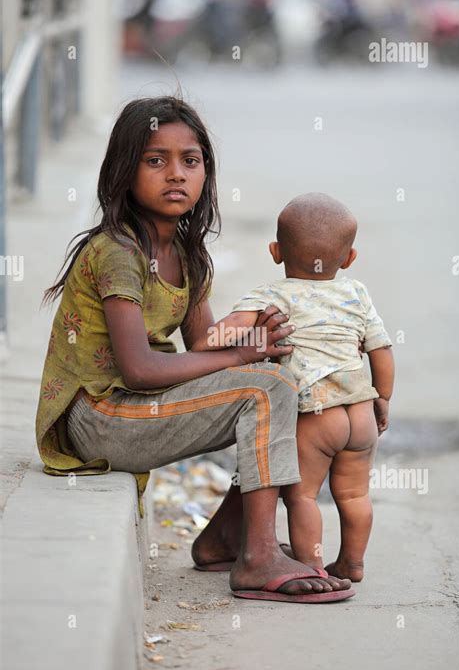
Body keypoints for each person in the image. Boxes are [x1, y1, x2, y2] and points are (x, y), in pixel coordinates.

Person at [35, 98, 354, 604]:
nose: (176, 174)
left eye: (191, 160)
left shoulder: (186, 251)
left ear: (206, 171)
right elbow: (140, 369)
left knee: (276, 372)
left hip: (133, 411)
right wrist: (240, 359)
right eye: (155, 160)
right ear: (123, 171)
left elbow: (203, 345)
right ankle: (257, 558)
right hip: (97, 419)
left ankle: (229, 535)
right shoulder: (118, 252)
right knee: (264, 389)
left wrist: (258, 334)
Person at [192, 192, 395, 583]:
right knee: (354, 495)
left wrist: (213, 341)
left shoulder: (273, 295)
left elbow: (213, 339)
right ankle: (352, 563)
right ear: (349, 258)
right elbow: (382, 352)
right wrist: (382, 398)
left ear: (275, 251)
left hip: (317, 413)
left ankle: (312, 567)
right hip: (360, 409)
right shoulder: (357, 293)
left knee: (301, 495)